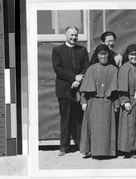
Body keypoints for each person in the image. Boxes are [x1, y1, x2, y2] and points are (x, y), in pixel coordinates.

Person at [52, 26, 89, 156]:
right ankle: (64, 147)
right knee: (66, 118)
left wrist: (78, 81)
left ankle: (80, 145)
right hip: (64, 90)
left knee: (79, 118)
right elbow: (58, 69)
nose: (74, 37)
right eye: (71, 35)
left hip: (79, 89)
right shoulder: (57, 50)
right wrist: (74, 77)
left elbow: (86, 67)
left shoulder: (82, 50)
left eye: (76, 35)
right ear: (65, 35)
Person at [79, 44, 119, 158]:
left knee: (107, 129)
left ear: (108, 55)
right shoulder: (91, 69)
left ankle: (108, 152)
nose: (103, 56)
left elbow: (116, 91)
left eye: (105, 54)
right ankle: (93, 151)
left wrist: (116, 104)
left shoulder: (114, 69)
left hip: (108, 103)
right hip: (93, 103)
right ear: (97, 55)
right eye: (101, 54)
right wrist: (83, 102)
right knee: (94, 129)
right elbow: (85, 90)